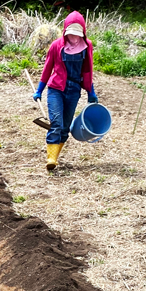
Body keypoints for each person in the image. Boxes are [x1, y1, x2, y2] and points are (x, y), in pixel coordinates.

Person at [32, 11, 98, 171]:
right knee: (56, 122)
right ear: (65, 31)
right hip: (56, 90)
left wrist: (91, 91)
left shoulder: (87, 46)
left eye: (77, 34)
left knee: (65, 127)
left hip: (74, 90)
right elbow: (47, 68)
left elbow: (87, 70)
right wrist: (39, 90)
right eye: (71, 34)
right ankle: (51, 159)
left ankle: (55, 155)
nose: (74, 38)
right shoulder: (56, 46)